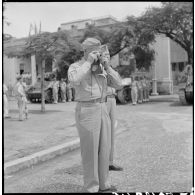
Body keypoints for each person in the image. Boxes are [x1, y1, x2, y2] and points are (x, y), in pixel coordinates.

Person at [68, 37, 122, 193]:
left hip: (102, 106)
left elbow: (118, 84)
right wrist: (88, 62)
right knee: (90, 151)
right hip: (87, 109)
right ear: (85, 51)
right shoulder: (76, 66)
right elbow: (74, 80)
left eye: (99, 51)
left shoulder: (101, 68)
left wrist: (107, 66)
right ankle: (91, 187)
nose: (98, 54)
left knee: (104, 148)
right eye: (94, 51)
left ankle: (104, 184)